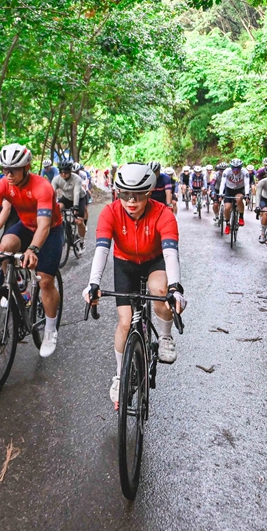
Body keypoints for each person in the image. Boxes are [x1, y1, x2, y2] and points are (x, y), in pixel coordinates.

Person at [83, 163, 184, 407]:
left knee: (160, 292)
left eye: (137, 195)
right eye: (125, 194)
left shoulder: (163, 214)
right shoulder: (110, 212)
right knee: (125, 322)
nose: (131, 200)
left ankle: (166, 337)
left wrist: (176, 289)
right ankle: (119, 376)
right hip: (125, 263)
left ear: (149, 193)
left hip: (154, 261)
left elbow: (171, 254)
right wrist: (93, 283)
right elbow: (102, 250)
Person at [0, 144, 64, 358]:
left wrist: (32, 249)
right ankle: (13, 283)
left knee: (45, 280)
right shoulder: (2, 185)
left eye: (13, 169)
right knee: (5, 246)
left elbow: (44, 225)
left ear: (27, 167)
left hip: (50, 229)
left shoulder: (42, 186)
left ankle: (50, 329)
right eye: (4, 169)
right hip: (25, 224)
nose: (8, 174)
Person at [52, 160, 88, 240]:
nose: (63, 174)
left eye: (66, 172)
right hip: (66, 198)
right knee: (57, 208)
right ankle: (62, 226)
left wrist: (75, 206)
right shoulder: (56, 179)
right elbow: (52, 193)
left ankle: (82, 240)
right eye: (61, 172)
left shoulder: (77, 179)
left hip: (79, 198)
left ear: (70, 171)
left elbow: (76, 193)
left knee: (79, 221)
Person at [217, 158, 250, 234]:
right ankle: (227, 224)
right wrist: (221, 194)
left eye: (238, 169)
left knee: (239, 199)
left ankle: (241, 217)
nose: (235, 171)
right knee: (227, 207)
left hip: (240, 189)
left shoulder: (245, 172)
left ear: (241, 168)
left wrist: (247, 194)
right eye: (234, 169)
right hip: (229, 189)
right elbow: (222, 183)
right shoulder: (226, 171)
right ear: (231, 168)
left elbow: (246, 184)